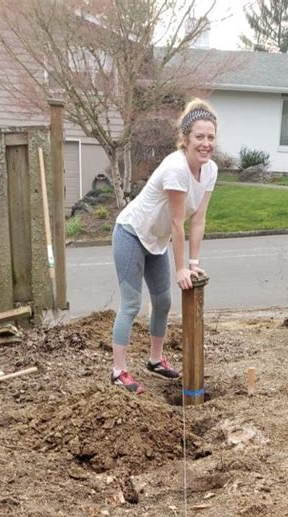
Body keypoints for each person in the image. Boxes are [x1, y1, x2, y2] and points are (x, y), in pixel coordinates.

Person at [111, 98, 218, 394]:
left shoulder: (210, 171)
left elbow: (199, 220)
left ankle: (155, 361)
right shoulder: (175, 168)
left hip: (156, 242)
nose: (205, 143)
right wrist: (180, 268)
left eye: (210, 137)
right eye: (199, 137)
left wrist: (193, 265)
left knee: (163, 302)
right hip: (131, 233)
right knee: (131, 304)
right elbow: (177, 222)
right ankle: (118, 371)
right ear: (186, 139)